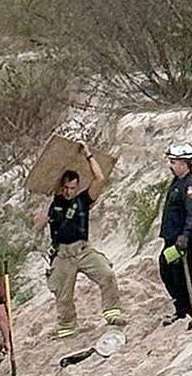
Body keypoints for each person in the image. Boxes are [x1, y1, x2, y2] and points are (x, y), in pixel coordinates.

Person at [32, 143, 125, 339]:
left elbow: (100, 178)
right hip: (63, 253)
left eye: (72, 188)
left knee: (106, 274)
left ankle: (112, 313)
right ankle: (67, 326)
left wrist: (88, 155)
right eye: (65, 188)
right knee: (62, 293)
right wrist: (50, 199)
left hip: (83, 250)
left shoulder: (83, 199)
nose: (68, 192)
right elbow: (37, 225)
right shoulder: (54, 203)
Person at [159, 142, 192, 327]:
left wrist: (185, 235)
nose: (171, 165)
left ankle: (187, 310)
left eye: (174, 161)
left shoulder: (190, 186)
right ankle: (180, 305)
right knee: (166, 269)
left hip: (181, 239)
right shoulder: (177, 182)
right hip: (171, 237)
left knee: (181, 274)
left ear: (184, 163)